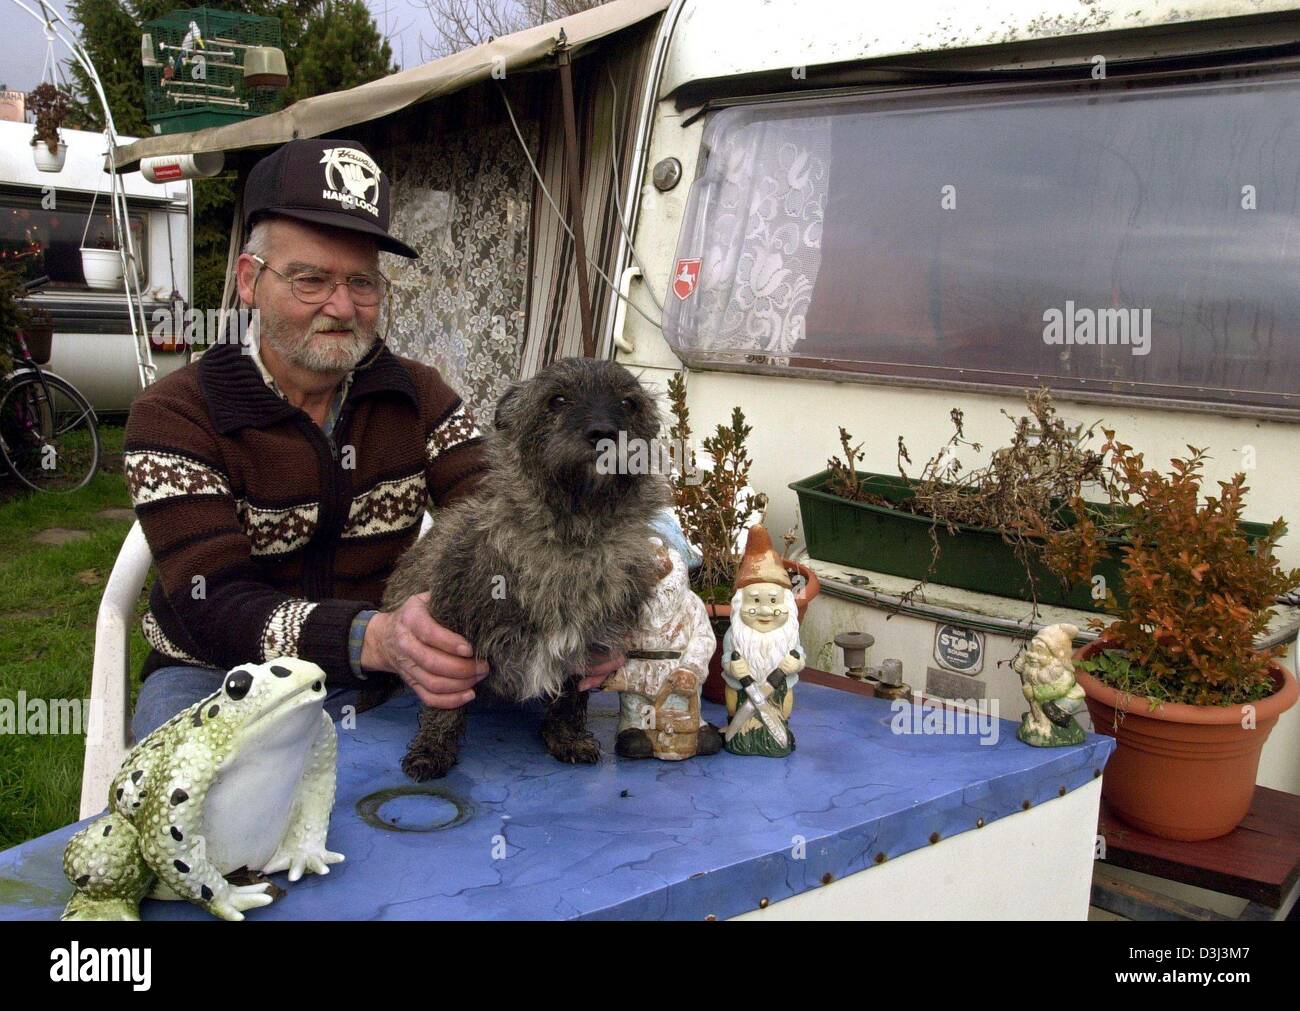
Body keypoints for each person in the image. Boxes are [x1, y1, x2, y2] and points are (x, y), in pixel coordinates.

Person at [123, 138, 624, 741]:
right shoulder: (177, 414)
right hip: (218, 674)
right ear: (250, 281)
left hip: (390, 676)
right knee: (199, 817)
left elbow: (509, 507)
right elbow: (211, 601)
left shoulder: (418, 395)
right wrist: (370, 637)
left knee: (505, 808)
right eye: (310, 279)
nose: (341, 307)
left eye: (362, 283)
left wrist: (593, 604)